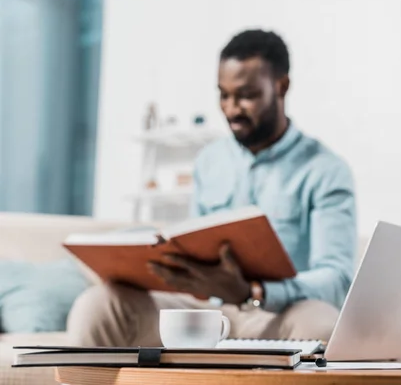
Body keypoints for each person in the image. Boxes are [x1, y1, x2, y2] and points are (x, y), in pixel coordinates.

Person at [67, 29, 357, 346]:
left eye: (246, 95)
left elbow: (336, 279)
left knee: (323, 326)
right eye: (223, 95)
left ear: (281, 86)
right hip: (208, 312)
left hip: (278, 315)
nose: (232, 110)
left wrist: (255, 292)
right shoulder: (210, 161)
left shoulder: (326, 170)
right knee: (98, 305)